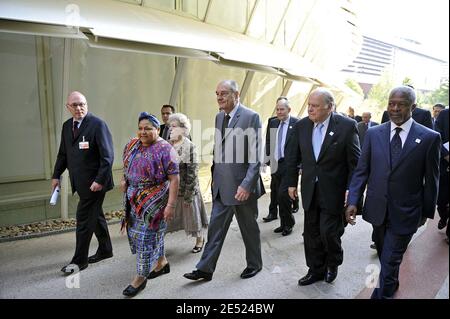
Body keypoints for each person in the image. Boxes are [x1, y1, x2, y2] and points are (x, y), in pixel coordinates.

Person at [345, 86, 440, 299]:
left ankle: (382, 295)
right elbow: (362, 171)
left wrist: (425, 213)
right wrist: (353, 200)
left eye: (401, 104)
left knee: (388, 261)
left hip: (407, 213)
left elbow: (432, 180)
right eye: (391, 104)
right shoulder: (373, 133)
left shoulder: (429, 138)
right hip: (377, 210)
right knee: (385, 257)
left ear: (413, 107)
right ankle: (391, 281)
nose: (394, 109)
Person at [183, 80, 264, 282]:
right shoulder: (219, 117)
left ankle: (255, 264)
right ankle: (205, 269)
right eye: (217, 93)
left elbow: (256, 157)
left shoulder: (251, 117)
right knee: (215, 229)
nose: (219, 97)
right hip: (221, 185)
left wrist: (247, 184)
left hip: (241, 187)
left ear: (236, 95)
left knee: (249, 229)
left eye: (224, 93)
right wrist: (214, 178)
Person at [285, 88, 361, 286]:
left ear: (330, 107)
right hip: (310, 189)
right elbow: (292, 157)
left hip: (334, 191)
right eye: (309, 105)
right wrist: (291, 182)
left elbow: (355, 163)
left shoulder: (346, 126)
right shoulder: (301, 126)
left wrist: (352, 193)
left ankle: (332, 263)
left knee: (328, 232)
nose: (310, 109)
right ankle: (315, 269)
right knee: (310, 233)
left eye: (315, 106)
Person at [52, 91, 114, 274]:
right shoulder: (66, 126)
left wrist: (99, 181)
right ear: (68, 107)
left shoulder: (97, 124)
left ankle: (79, 261)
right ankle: (105, 249)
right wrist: (56, 175)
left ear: (86, 105)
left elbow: (108, 157)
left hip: (96, 184)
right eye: (75, 105)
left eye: (82, 104)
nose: (79, 108)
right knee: (96, 217)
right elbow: (63, 154)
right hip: (79, 182)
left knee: (84, 220)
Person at [121, 112, 179, 297]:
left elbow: (174, 178)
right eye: (140, 128)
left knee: (145, 239)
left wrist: (170, 205)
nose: (142, 132)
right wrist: (124, 179)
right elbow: (126, 166)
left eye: (148, 128)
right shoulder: (132, 145)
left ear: (157, 129)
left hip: (155, 201)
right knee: (147, 235)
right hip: (133, 200)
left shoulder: (166, 149)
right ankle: (161, 262)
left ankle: (140, 277)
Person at [166, 113, 209, 253]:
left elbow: (193, 171)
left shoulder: (189, 146)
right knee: (170, 216)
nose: (171, 129)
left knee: (192, 216)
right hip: (172, 188)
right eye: (170, 126)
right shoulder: (168, 145)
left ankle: (200, 239)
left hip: (187, 188)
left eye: (174, 126)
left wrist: (189, 194)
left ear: (183, 129)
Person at [263, 97, 299, 236]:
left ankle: (289, 223)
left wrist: (300, 165)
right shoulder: (272, 122)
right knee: (278, 195)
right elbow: (268, 141)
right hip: (275, 163)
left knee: (284, 195)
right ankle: (283, 223)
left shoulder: (297, 123)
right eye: (277, 109)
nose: (279, 112)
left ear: (289, 110)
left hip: (289, 165)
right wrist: (268, 158)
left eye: (282, 109)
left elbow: (301, 145)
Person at [356, 111, 379, 250]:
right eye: (363, 117)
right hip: (361, 155)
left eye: (366, 117)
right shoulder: (358, 126)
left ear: (370, 118)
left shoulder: (376, 126)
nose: (364, 119)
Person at [435, 107, 449, 243]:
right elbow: (437, 136)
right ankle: (444, 216)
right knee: (441, 200)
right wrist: (446, 155)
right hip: (444, 165)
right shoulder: (444, 114)